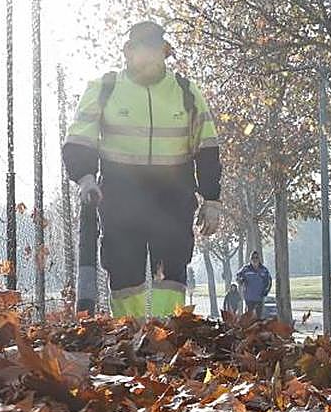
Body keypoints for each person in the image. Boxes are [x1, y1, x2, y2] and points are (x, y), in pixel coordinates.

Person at [62, 20, 221, 318]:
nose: (149, 57)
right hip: (121, 196)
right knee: (124, 271)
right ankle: (127, 335)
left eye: (155, 50)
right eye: (141, 50)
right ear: (128, 52)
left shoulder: (186, 92)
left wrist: (211, 200)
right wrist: (84, 177)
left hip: (173, 198)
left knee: (171, 271)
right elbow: (79, 139)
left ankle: (169, 332)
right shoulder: (104, 89)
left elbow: (208, 147)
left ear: (165, 52)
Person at [236, 251, 271, 318]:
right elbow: (238, 276)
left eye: (256, 257)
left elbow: (269, 281)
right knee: (249, 317)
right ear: (250, 259)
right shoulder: (246, 269)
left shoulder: (264, 270)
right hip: (249, 298)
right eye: (253, 258)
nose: (255, 259)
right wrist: (241, 280)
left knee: (258, 318)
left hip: (259, 298)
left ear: (259, 259)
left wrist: (266, 291)